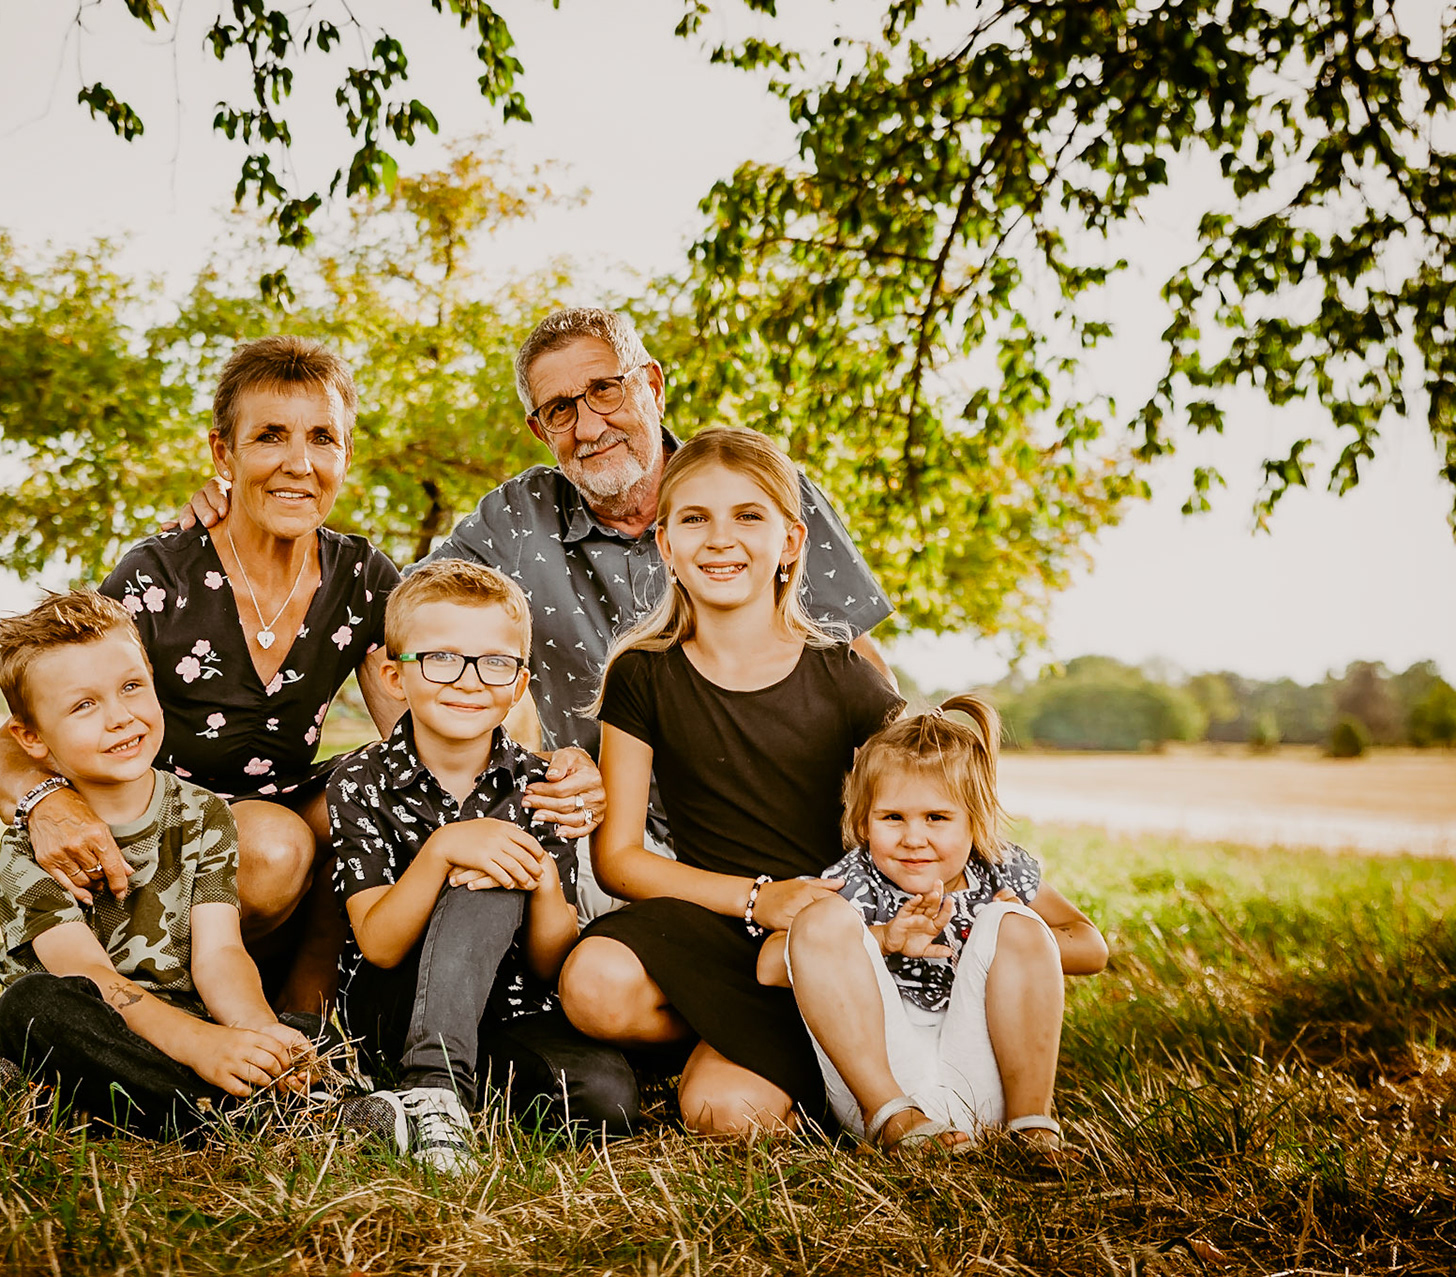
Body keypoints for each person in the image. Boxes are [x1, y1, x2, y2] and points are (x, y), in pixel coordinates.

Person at [181, 307, 894, 914]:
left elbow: (857, 659)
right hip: (606, 830)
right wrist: (240, 513)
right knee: (565, 948)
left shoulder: (756, 489)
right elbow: (398, 617)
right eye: (561, 410)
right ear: (539, 429)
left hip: (782, 820)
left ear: (651, 385)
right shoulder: (516, 520)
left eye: (605, 390)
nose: (589, 425)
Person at [0, 336, 407, 1013]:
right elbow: (11, 744)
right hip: (163, 835)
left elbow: (423, 726)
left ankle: (311, 1010)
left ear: (345, 454)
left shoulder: (361, 575)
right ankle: (172, 998)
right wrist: (47, 805)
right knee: (272, 845)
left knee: (378, 785)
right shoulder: (160, 576)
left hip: (280, 809)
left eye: (322, 438)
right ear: (222, 454)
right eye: (269, 436)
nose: (299, 463)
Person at [557, 426, 907, 1135]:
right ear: (665, 545)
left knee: (723, 1114)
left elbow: (929, 801)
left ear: (791, 542)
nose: (721, 539)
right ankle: (731, 1037)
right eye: (695, 519)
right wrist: (756, 898)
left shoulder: (844, 675)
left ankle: (821, 1033)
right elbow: (618, 859)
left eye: (748, 515)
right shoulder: (642, 673)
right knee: (592, 985)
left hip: (820, 930)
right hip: (711, 920)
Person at [0, 590, 325, 1141]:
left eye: (131, 687)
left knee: (298, 1030)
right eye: (84, 705)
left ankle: (206, 1097)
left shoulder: (203, 813)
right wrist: (202, 1046)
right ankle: (235, 1118)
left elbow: (219, 953)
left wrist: (255, 1031)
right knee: (33, 1008)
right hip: (97, 1025)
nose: (121, 717)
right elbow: (87, 974)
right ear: (31, 738)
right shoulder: (36, 846)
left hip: (186, 1016)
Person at [327, 562, 638, 1172]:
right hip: (396, 1003)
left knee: (607, 1101)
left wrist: (542, 881)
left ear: (519, 684)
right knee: (488, 862)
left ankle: (409, 1098)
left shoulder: (542, 787)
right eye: (441, 658)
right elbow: (379, 946)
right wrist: (444, 848)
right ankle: (433, 1086)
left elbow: (549, 963)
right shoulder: (360, 781)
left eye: (495, 663)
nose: (469, 681)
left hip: (508, 1010)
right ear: (394, 676)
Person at [759, 695, 1109, 1152]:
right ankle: (896, 1121)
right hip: (879, 1086)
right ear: (864, 822)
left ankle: (1032, 1126)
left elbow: (1091, 947)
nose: (913, 838)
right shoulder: (853, 880)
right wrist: (882, 939)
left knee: (1015, 921)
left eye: (937, 818)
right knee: (821, 918)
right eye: (892, 818)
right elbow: (769, 965)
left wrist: (987, 939)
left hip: (982, 1079)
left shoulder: (997, 870)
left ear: (975, 822)